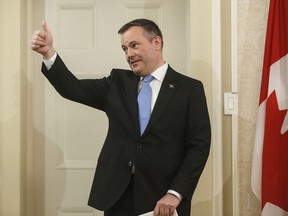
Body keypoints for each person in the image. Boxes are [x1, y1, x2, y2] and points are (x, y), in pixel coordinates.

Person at [31, 18, 211, 216]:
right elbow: (73, 88)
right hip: (117, 195)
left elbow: (199, 146)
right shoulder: (117, 83)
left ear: (156, 43)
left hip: (162, 198)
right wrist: (49, 53)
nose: (129, 54)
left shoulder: (189, 89)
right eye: (125, 49)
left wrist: (175, 193)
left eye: (134, 45)